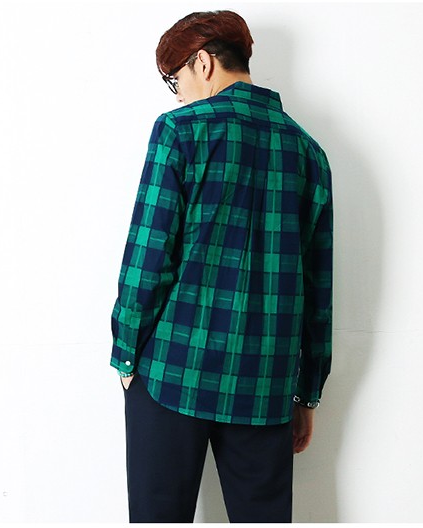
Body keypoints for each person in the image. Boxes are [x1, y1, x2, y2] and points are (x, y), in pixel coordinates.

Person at [110, 10, 333, 523]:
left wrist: (125, 354)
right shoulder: (309, 152)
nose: (179, 95)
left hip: (172, 371)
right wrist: (308, 391)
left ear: (204, 63)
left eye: (176, 80)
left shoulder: (179, 131)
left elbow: (148, 255)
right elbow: (318, 288)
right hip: (265, 383)